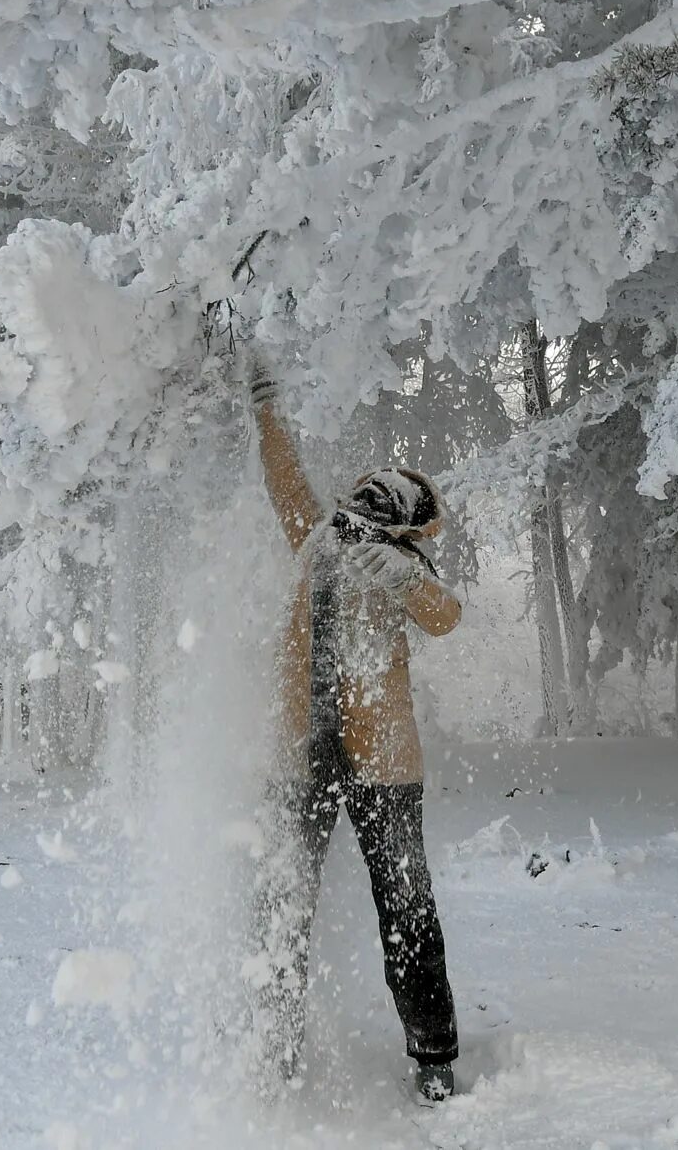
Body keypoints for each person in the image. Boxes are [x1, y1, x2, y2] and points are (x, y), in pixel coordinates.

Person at [241, 352, 464, 1105]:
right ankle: (270, 1047)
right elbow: (283, 475)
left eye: (377, 515)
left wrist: (403, 576)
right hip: (298, 757)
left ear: (404, 529)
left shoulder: (407, 570)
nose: (359, 521)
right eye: (360, 506)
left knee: (405, 906)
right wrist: (265, 398)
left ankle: (434, 1053)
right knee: (280, 901)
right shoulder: (313, 539)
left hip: (384, 769)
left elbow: (446, 615)